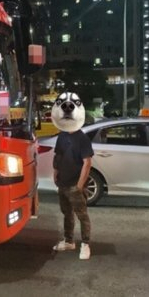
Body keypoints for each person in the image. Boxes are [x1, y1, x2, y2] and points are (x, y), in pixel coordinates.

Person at [51, 96, 94, 260]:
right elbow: (58, 155)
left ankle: (85, 244)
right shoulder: (61, 136)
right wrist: (55, 172)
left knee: (82, 215)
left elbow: (87, 162)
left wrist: (80, 185)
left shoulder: (82, 138)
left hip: (75, 184)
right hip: (62, 182)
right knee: (66, 213)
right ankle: (69, 241)